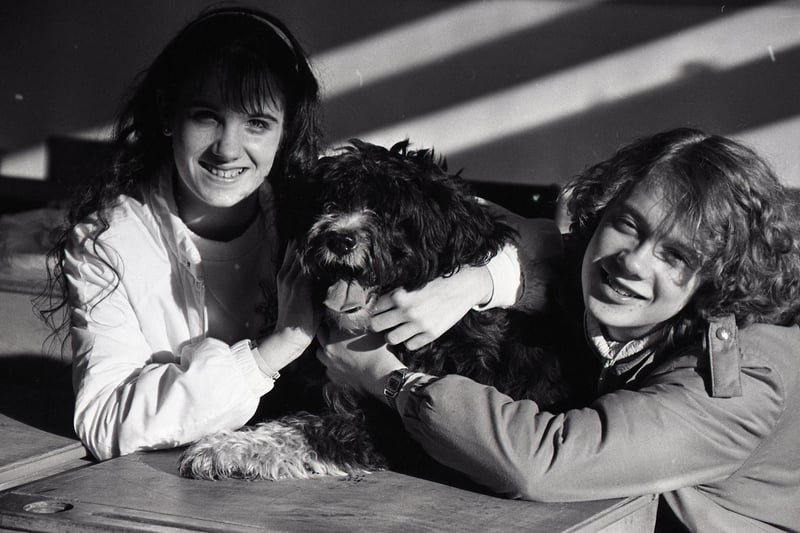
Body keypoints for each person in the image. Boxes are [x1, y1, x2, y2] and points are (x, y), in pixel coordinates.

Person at [42, 6, 521, 462]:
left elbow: (513, 236)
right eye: (206, 116)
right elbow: (104, 423)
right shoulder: (108, 243)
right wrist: (276, 350)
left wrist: (472, 286)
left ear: (286, 129)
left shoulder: (316, 197)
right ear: (169, 113)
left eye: (257, 123)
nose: (228, 149)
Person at [317, 128, 800, 531]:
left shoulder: (744, 377)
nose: (632, 261)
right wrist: (477, 282)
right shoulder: (616, 291)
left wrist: (383, 374)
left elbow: (543, 464)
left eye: (675, 255)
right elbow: (530, 238)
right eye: (628, 224)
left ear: (718, 279)